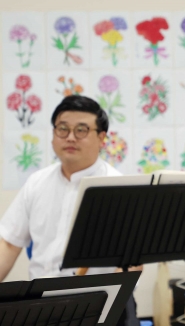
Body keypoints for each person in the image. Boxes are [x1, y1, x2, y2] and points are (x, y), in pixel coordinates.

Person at [0, 95, 139, 326]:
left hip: (101, 305)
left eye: (81, 130)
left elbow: (132, 263)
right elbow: (8, 244)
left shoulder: (120, 187)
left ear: (101, 138)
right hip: (40, 305)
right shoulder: (36, 182)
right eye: (62, 129)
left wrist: (109, 304)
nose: (70, 137)